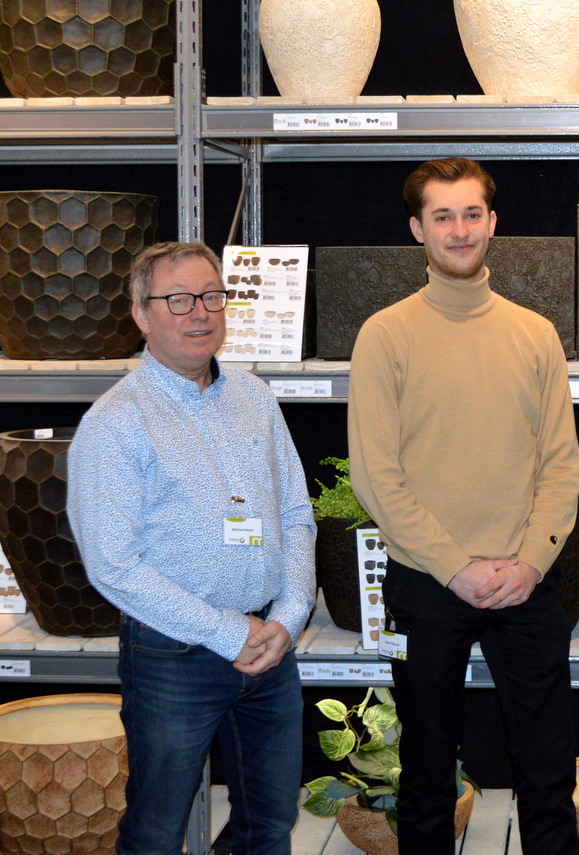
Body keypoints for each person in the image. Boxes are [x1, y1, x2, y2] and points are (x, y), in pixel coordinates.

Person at [348, 156, 579, 854]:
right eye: (442, 216)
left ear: (493, 222)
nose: (459, 229)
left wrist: (531, 563)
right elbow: (376, 476)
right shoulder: (385, 335)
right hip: (426, 582)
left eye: (471, 213)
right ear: (417, 229)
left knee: (548, 770)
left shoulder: (535, 334)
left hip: (525, 583)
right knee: (425, 772)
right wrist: (454, 566)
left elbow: (561, 464)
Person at [67, 241, 316, 855]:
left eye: (211, 296)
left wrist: (288, 616)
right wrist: (228, 633)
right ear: (141, 314)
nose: (200, 312)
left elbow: (295, 513)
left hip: (270, 647)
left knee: (269, 825)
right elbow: (113, 565)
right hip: (173, 656)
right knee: (156, 832)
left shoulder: (254, 397)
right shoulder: (116, 422)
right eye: (178, 300)